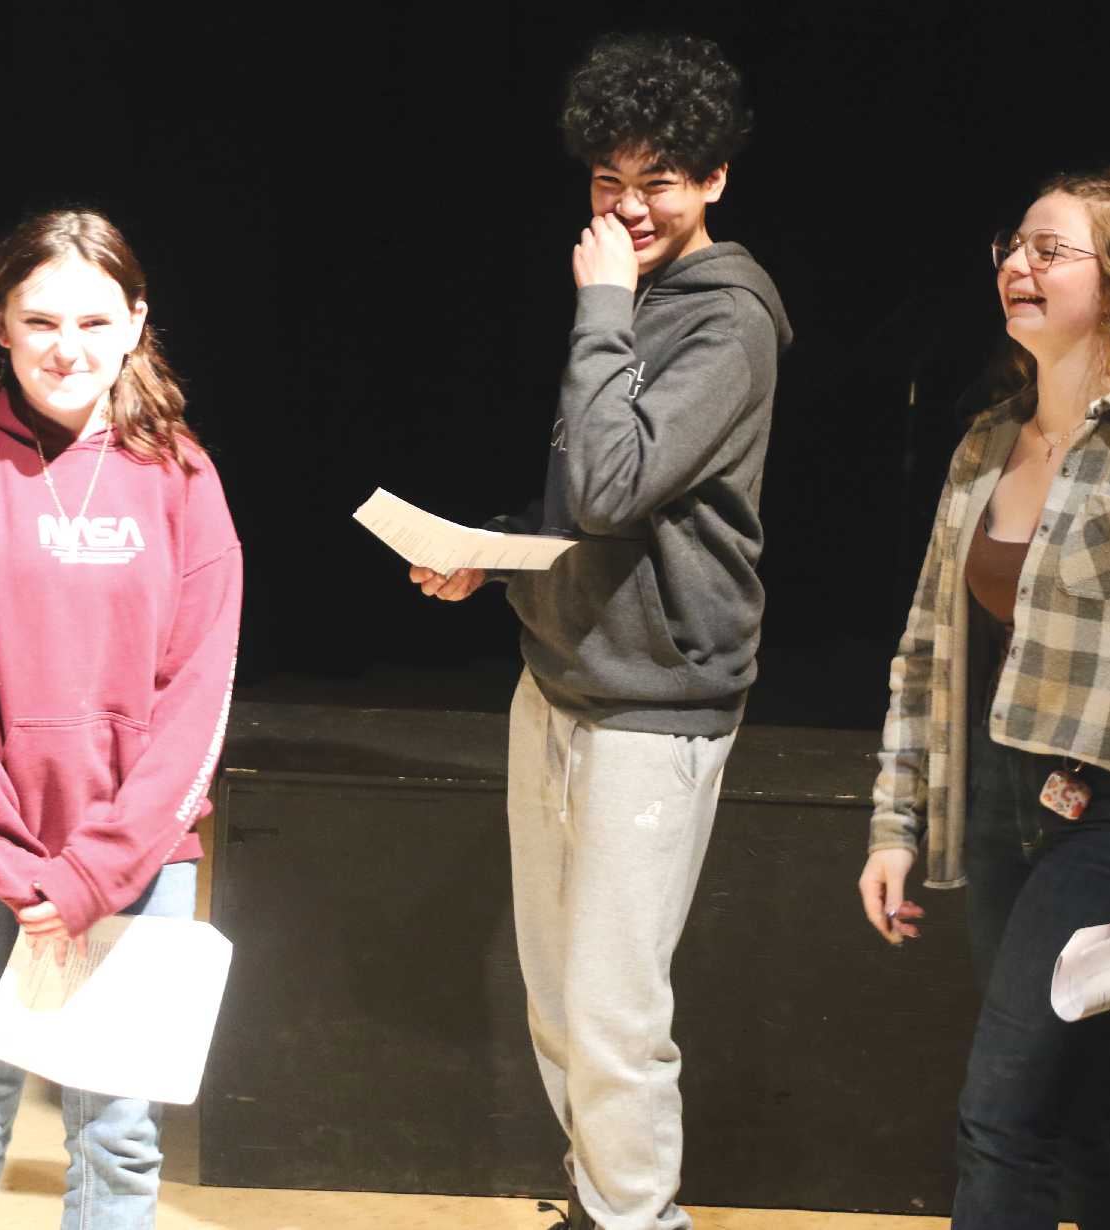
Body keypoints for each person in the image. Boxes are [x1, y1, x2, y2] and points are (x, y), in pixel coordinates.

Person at [409, 32, 791, 1230]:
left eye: (658, 179)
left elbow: (622, 484)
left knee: (618, 1007)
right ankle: (603, 1198)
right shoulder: (641, 302)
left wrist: (605, 306)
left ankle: (640, 1218)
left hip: (655, 705)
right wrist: (499, 549)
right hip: (562, 676)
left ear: (717, 179)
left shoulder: (723, 321)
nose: (627, 207)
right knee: (559, 997)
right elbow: (592, 497)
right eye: (607, 180)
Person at [857, 160, 1110, 1229]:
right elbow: (923, 651)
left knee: (1006, 1119)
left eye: (1050, 250)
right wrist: (897, 821)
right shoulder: (986, 446)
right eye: (1014, 247)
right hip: (1003, 805)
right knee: (1076, 1113)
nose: (1017, 268)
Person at [0, 209, 242, 1228]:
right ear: (0, 323)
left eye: (93, 320)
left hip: (137, 865)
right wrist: (15, 868)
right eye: (40, 320)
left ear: (135, 323)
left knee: (120, 1142)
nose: (66, 347)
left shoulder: (181, 478)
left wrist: (96, 871)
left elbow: (196, 694)